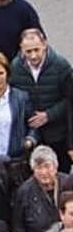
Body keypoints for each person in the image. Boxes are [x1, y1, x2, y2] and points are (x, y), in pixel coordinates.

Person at [11, 29, 72, 162]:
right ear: (21, 49)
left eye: (36, 50)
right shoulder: (15, 68)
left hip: (57, 134)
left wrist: (49, 115)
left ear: (44, 44)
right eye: (28, 51)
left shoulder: (61, 66)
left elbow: (69, 100)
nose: (33, 56)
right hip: (31, 135)